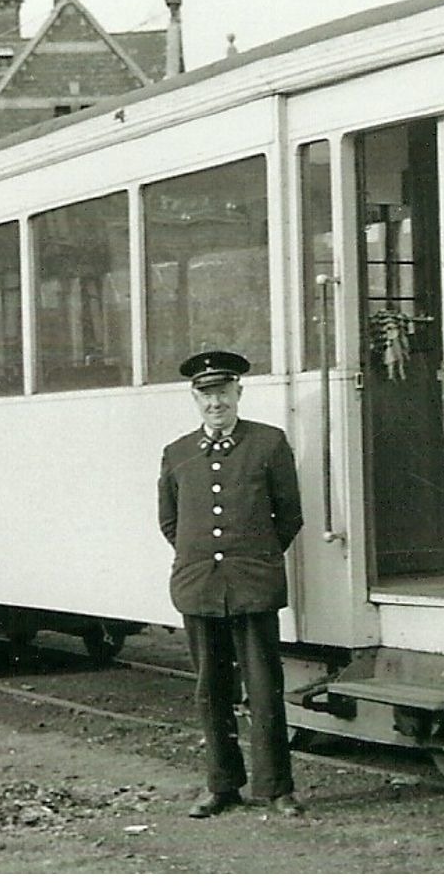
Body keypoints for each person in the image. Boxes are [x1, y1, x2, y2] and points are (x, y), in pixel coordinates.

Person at [158, 349, 305, 818]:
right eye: (206, 395)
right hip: (200, 586)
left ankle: (276, 788)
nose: (215, 403)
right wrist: (204, 561)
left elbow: (290, 516)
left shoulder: (268, 444)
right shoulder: (178, 453)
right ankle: (221, 785)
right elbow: (170, 522)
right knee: (210, 691)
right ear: (195, 399)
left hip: (253, 585)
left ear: (239, 393)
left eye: (223, 392)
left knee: (264, 689)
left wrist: (255, 558)